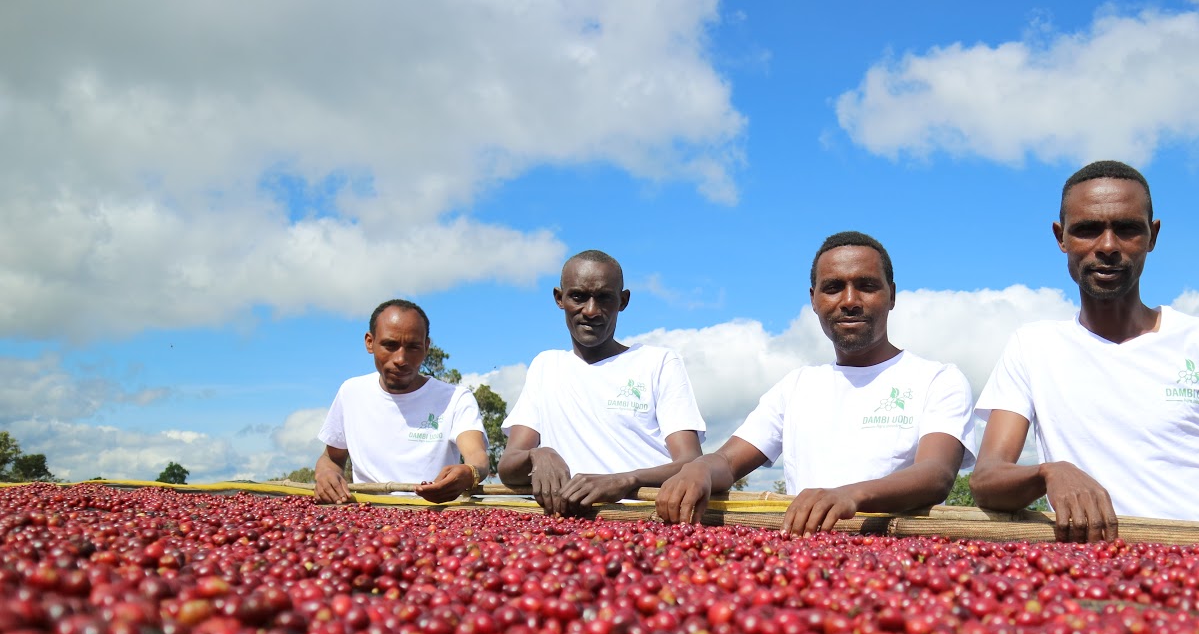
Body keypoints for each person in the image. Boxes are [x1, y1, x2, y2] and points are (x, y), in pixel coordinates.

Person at [970, 160, 1199, 542]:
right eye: (1086, 230)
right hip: (1090, 567)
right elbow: (986, 478)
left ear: (1152, 235)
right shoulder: (1033, 346)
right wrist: (1049, 472)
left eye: (1128, 229)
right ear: (1061, 238)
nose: (1108, 246)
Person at [656, 231, 976, 534]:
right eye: (834, 287)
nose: (850, 300)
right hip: (809, 564)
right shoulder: (797, 387)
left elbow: (936, 473)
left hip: (899, 563)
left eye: (866, 285)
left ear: (891, 295)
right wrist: (699, 469)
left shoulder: (937, 379)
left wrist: (850, 497)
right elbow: (727, 460)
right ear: (813, 299)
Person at [498, 250, 705, 514]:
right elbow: (508, 466)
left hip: (647, 518)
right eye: (578, 297)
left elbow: (690, 462)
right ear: (559, 299)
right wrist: (538, 455)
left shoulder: (659, 362)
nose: (591, 310)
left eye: (604, 298)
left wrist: (625, 479)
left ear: (623, 300)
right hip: (569, 527)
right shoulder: (546, 366)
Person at [315, 299, 491, 504]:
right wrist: (325, 475)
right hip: (366, 515)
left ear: (426, 346)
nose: (401, 359)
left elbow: (477, 456)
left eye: (413, 347)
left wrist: (470, 472)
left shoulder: (455, 398)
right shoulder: (351, 393)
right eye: (390, 345)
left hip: (435, 518)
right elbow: (331, 458)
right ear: (369, 342)